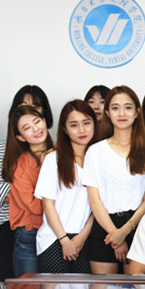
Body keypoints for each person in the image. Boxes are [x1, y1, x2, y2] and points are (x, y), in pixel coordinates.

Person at [84, 86, 145, 275]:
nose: (121, 113)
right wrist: (115, 235)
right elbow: (94, 200)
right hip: (103, 226)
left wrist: (125, 231)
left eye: (127, 107)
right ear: (107, 113)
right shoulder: (95, 151)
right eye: (115, 108)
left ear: (137, 112)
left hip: (137, 225)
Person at [0, 85, 53, 282]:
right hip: (16, 226)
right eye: (23, 105)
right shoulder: (12, 155)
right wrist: (47, 201)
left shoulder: (56, 153)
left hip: (53, 230)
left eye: (36, 106)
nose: (29, 110)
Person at [34, 100, 98, 273]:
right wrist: (64, 240)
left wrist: (81, 238)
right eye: (74, 125)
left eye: (86, 123)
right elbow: (48, 204)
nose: (82, 130)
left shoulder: (99, 159)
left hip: (84, 239)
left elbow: (97, 207)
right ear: (64, 129)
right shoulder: (53, 159)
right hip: (54, 238)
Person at [3, 105, 53, 276]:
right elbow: (36, 207)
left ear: (44, 121)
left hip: (58, 232)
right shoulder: (20, 165)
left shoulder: (59, 154)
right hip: (31, 234)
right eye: (27, 128)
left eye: (37, 122)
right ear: (20, 137)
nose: (35, 129)